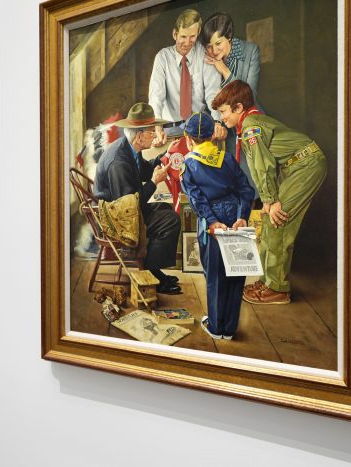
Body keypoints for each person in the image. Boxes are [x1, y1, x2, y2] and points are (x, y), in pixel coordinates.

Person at [211, 80, 327, 305]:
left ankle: (277, 288)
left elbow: (263, 166)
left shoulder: (251, 127)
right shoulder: (250, 122)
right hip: (293, 167)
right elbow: (263, 166)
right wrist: (268, 200)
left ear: (238, 108)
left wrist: (272, 200)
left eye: (224, 112)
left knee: (277, 222)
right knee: (268, 219)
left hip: (306, 165)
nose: (221, 117)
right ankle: (267, 281)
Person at [180, 111, 254, 339]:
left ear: (188, 139)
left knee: (215, 275)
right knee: (237, 271)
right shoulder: (228, 159)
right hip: (234, 216)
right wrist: (242, 216)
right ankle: (229, 328)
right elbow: (246, 190)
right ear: (213, 135)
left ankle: (215, 327)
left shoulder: (188, 165)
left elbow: (197, 201)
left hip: (212, 221)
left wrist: (212, 222)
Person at [94, 102, 182, 294]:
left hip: (124, 207)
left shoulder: (129, 148)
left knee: (165, 209)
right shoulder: (119, 162)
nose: (155, 136)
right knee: (170, 220)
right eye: (152, 132)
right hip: (114, 218)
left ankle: (153, 270)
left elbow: (144, 171)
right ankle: (152, 275)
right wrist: (154, 182)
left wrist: (166, 155)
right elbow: (128, 209)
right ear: (140, 136)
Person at [200, 12, 261, 198]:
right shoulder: (204, 58)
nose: (213, 51)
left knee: (251, 182)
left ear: (230, 37)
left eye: (218, 43)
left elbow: (249, 95)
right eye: (209, 46)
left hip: (248, 123)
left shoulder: (250, 51)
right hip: (220, 127)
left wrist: (224, 70)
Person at [148, 8, 226, 146]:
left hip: (199, 129)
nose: (187, 42)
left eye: (192, 37)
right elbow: (156, 97)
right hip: (169, 131)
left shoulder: (205, 54)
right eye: (183, 37)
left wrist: (217, 121)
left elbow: (213, 93)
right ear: (175, 34)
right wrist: (157, 127)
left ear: (198, 32)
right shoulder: (162, 58)